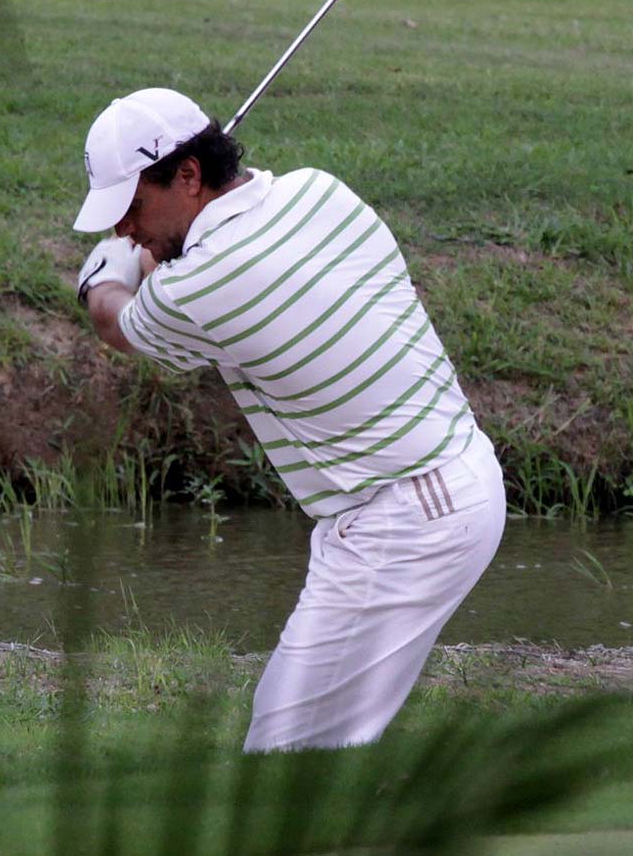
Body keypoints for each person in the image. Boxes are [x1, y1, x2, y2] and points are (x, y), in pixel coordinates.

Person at [74, 86, 506, 752]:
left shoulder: (199, 287)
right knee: (312, 748)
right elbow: (207, 255)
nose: (123, 227)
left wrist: (104, 272)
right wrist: (154, 245)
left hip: (407, 521)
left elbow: (120, 322)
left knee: (283, 755)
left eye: (130, 209)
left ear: (189, 175)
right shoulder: (319, 192)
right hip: (458, 477)